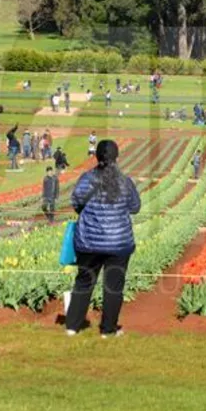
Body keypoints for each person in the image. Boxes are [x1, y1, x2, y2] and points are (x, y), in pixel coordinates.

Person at [66, 140, 141, 338]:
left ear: (96, 156)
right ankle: (108, 330)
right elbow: (135, 207)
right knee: (113, 286)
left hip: (88, 242)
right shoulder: (125, 181)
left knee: (83, 282)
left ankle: (72, 327)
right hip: (118, 242)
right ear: (117, 157)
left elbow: (76, 202)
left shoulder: (86, 179)